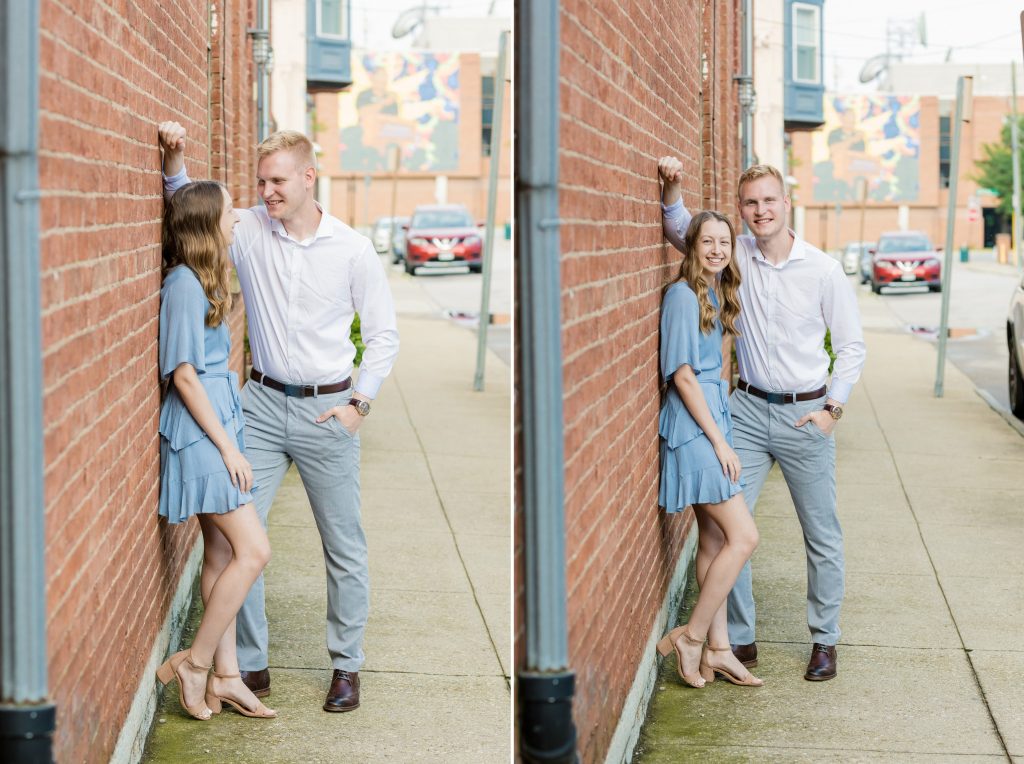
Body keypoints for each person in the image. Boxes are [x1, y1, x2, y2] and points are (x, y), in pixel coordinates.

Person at [158, 121, 400, 713]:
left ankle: (347, 665)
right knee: (246, 542)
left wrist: (358, 405)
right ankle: (248, 665)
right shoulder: (247, 233)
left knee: (344, 544)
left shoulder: (351, 248)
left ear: (308, 177)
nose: (265, 192)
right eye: (261, 181)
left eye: (276, 181)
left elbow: (384, 333)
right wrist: (175, 159)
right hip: (259, 407)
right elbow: (193, 213)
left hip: (328, 410)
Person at [658, 158, 866, 681]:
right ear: (742, 209)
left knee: (821, 533)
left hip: (805, 414)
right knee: (732, 532)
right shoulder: (733, 257)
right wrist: (674, 187)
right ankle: (738, 640)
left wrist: (831, 411)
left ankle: (825, 640)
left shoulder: (822, 269)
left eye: (769, 200)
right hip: (745, 411)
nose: (760, 211)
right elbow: (684, 228)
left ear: (786, 203)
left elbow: (851, 346)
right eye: (750, 203)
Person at [155, 180, 276, 720]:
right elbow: (183, 374)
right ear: (208, 223)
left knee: (223, 552)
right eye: (230, 211)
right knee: (255, 550)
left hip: (219, 417)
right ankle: (197, 664)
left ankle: (226, 676)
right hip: (201, 429)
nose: (238, 217)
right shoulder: (183, 283)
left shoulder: (204, 277)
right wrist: (228, 447)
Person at [655, 211, 762, 689]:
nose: (718, 249)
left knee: (715, 539)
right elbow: (680, 374)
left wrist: (724, 427)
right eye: (708, 242)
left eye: (725, 242)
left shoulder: (714, 293)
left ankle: (719, 650)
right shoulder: (681, 296)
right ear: (691, 246)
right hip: (694, 426)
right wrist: (720, 440)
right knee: (745, 537)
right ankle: (692, 638)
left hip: (713, 416)